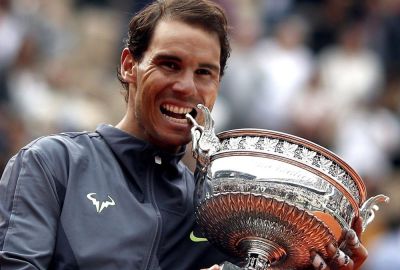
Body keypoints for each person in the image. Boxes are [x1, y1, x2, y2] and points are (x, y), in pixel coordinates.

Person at [0, 0, 368, 269]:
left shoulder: (218, 209)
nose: (185, 87)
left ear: (218, 85)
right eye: (169, 64)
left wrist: (299, 260)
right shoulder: (52, 164)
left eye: (204, 73)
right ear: (130, 65)